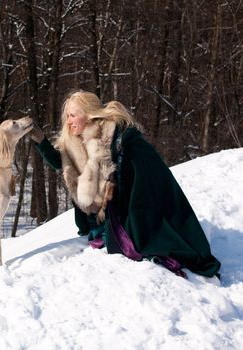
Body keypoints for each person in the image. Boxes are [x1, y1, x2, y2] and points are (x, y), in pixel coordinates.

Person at [29, 89, 221, 278]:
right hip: (97, 218)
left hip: (120, 211)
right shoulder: (74, 140)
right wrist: (41, 141)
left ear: (88, 114)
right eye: (67, 116)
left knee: (139, 241)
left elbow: (140, 166)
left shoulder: (112, 136)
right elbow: (60, 162)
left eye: (72, 116)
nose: (69, 121)